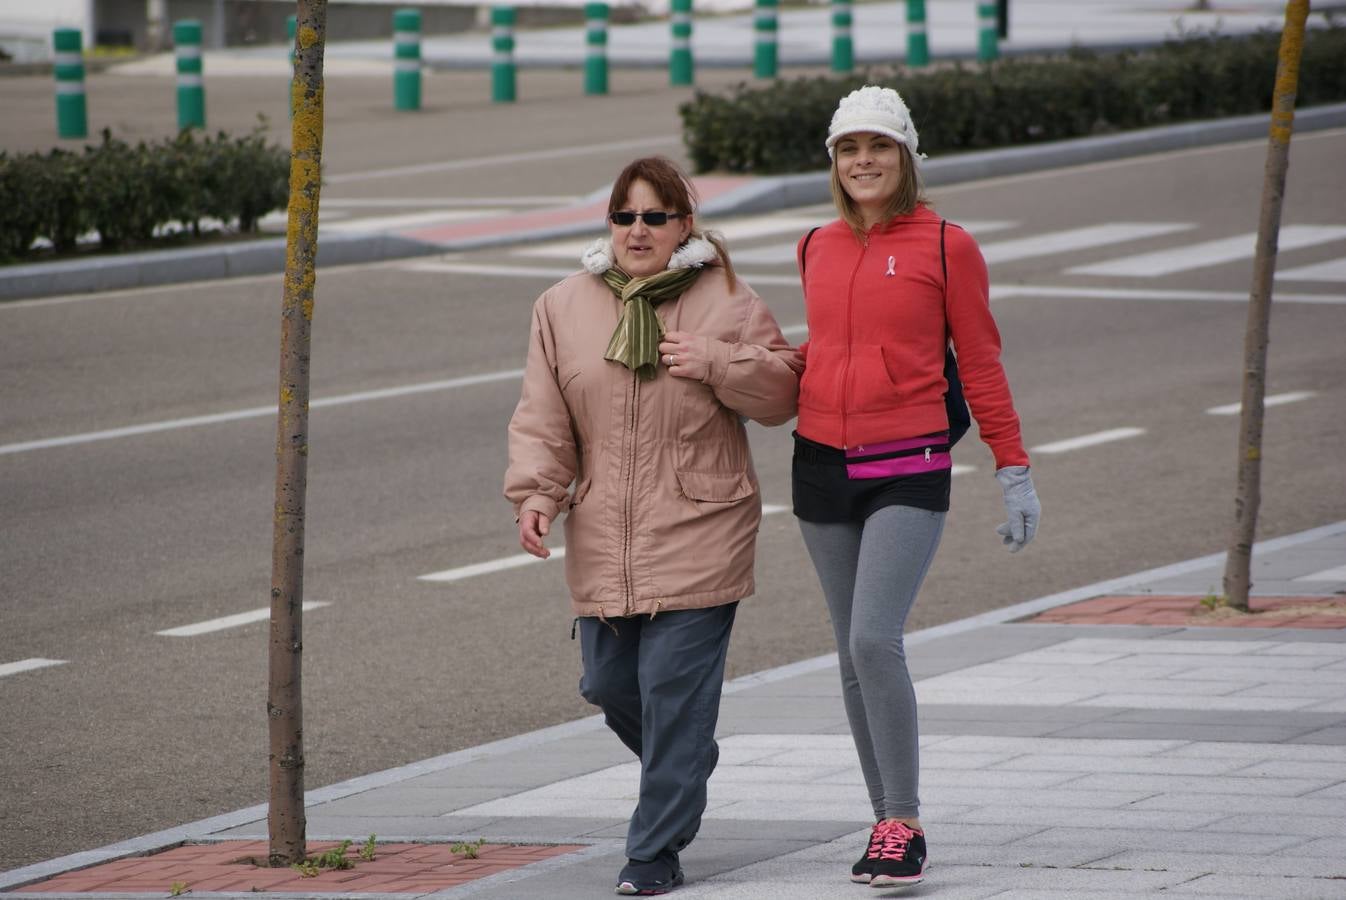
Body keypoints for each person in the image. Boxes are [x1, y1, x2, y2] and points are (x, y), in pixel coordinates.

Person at [504, 156, 801, 896]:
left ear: (683, 226)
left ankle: (652, 852)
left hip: (703, 521)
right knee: (608, 683)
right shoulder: (562, 306)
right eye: (624, 216)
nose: (638, 231)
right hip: (606, 528)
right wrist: (537, 493)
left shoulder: (726, 299)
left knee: (672, 687)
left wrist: (718, 360)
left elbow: (782, 393)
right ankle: (686, 757)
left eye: (654, 217)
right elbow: (545, 416)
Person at [791, 86, 1042, 888]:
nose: (862, 161)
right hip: (820, 465)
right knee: (849, 657)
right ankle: (882, 826)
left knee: (875, 637)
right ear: (833, 162)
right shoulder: (816, 245)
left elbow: (983, 358)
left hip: (907, 463)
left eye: (879, 147)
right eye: (847, 149)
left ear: (906, 156)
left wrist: (1013, 468)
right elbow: (830, 344)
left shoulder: (946, 245)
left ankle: (905, 819)